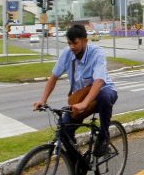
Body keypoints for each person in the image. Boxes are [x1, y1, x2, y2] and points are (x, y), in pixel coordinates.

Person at [34, 24, 118, 157]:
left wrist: (84, 103)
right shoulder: (67, 53)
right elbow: (54, 77)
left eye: (75, 43)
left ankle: (103, 137)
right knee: (64, 128)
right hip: (81, 98)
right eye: (69, 43)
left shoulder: (97, 53)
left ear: (85, 40)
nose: (72, 47)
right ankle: (76, 164)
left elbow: (99, 81)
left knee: (104, 96)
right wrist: (43, 100)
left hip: (103, 92)